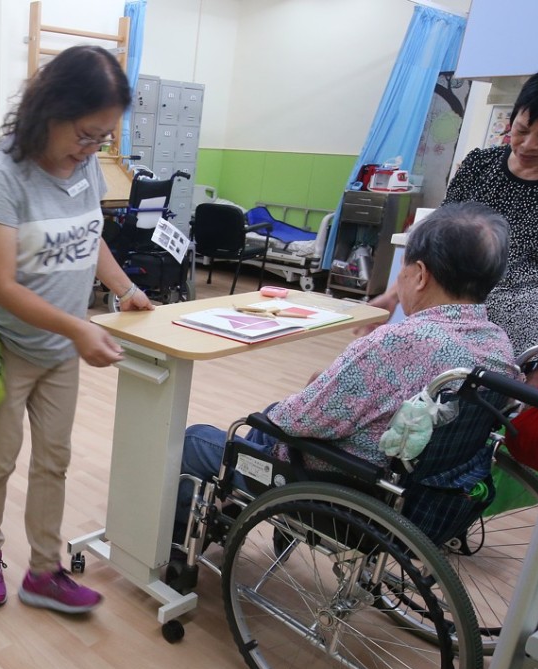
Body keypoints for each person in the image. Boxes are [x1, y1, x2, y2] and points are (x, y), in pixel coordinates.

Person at [174, 202, 520, 543]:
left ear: (419, 275)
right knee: (271, 418)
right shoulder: (498, 346)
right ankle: (237, 505)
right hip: (424, 495)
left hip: (346, 485)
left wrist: (316, 390)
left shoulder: (398, 342)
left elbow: (294, 421)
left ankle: (174, 552)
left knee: (198, 439)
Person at [0, 45, 154, 613]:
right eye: (86, 135)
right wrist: (78, 328)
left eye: (102, 139)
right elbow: (0, 285)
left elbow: (88, 237)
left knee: (54, 460)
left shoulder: (84, 163)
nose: (91, 150)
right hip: (3, 347)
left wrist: (124, 289)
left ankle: (43, 571)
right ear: (50, 109)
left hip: (60, 350)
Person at [368, 65, 538, 382]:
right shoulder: (481, 165)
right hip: (445, 317)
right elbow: (438, 240)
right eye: (521, 129)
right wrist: (394, 294)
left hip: (514, 329)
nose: (527, 144)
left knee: (481, 415)